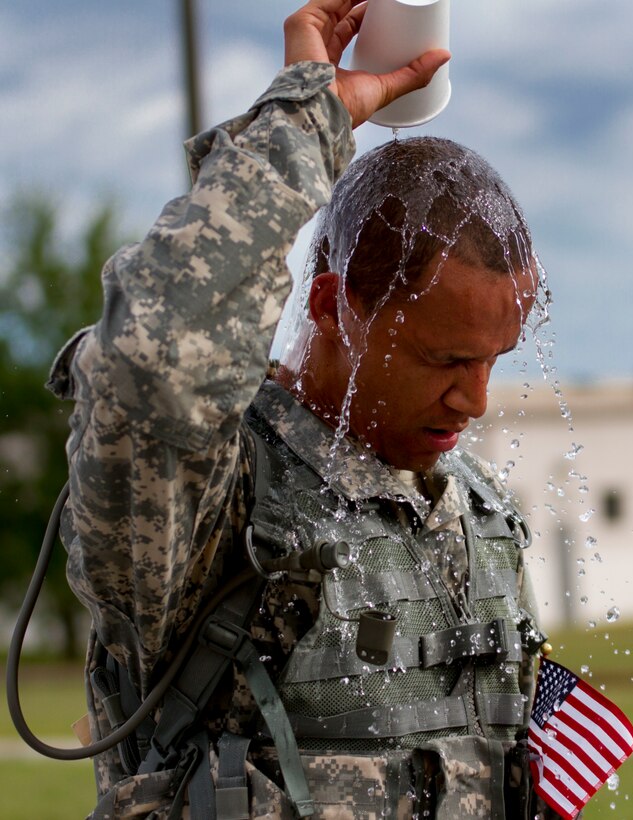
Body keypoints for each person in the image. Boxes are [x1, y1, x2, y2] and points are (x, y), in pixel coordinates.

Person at [47, 0, 557, 817]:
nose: (477, 398)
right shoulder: (218, 504)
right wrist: (306, 117)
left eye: (494, 359)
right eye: (444, 360)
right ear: (330, 305)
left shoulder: (475, 513)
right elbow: (151, 361)